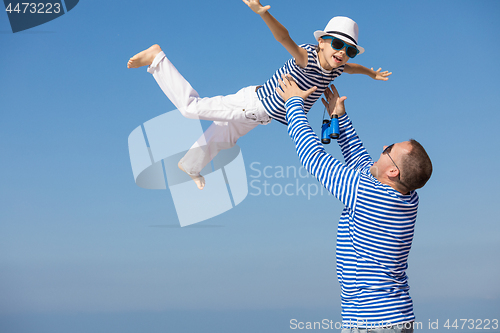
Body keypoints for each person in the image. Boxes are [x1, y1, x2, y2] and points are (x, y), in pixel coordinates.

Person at [127, 0, 391, 190]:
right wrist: (264, 14)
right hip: (253, 104)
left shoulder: (337, 68)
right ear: (322, 42)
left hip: (261, 115)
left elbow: (352, 69)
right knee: (190, 108)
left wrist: (371, 73)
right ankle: (157, 58)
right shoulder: (306, 57)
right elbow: (284, 38)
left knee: (223, 137)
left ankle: (190, 166)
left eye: (350, 50)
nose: (343, 53)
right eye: (337, 44)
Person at [275, 75, 432, 332]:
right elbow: (361, 166)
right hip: (394, 317)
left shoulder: (366, 194)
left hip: (373, 322)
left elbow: (313, 157)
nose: (383, 146)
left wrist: (293, 104)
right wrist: (341, 118)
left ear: (392, 172)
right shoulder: (406, 197)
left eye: (389, 149)